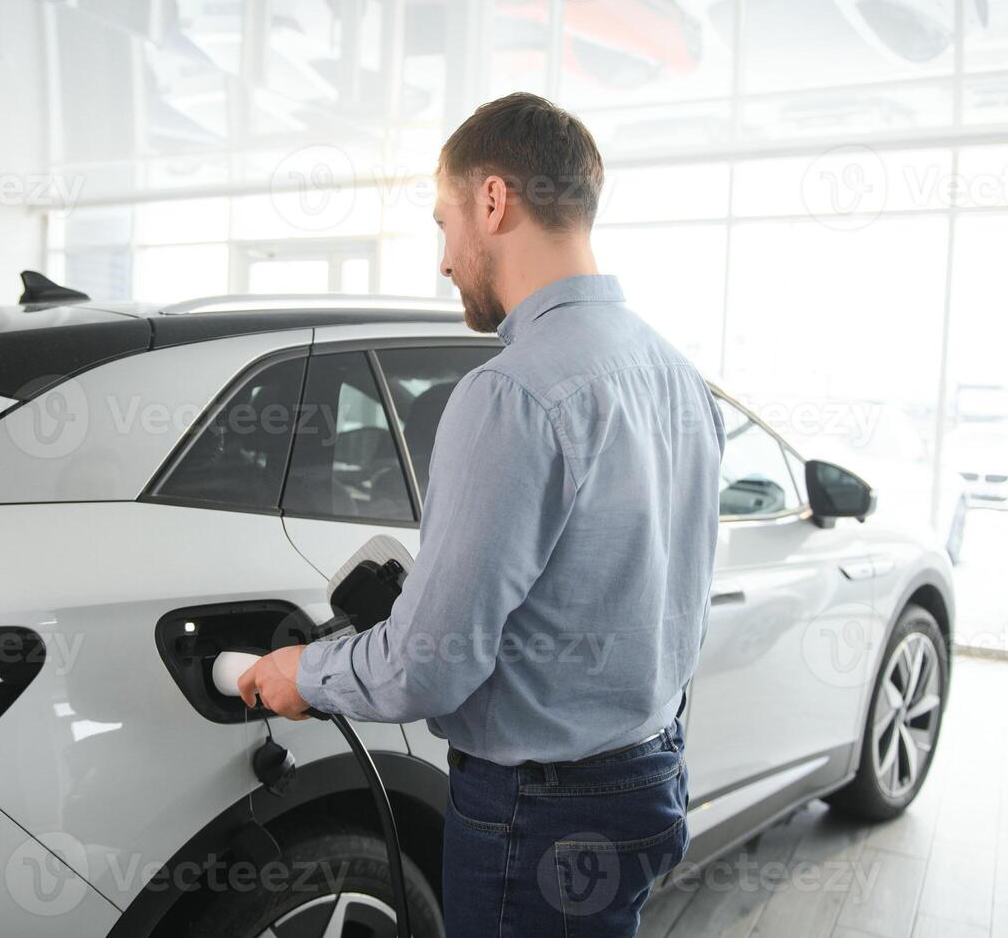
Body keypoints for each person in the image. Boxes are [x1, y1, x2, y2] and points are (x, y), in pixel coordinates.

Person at [237, 92, 726, 937]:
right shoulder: (676, 373)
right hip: (649, 780)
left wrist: (302, 673)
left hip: (540, 815)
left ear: (492, 201)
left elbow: (426, 668)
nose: (442, 259)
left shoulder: (511, 390)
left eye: (442, 221)